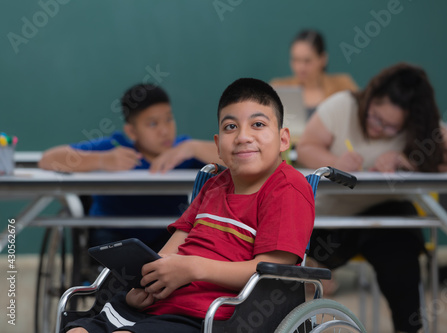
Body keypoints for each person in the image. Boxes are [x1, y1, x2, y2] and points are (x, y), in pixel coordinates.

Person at [62, 78, 316, 333]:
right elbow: (169, 254)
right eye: (231, 127)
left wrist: (195, 268)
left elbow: (273, 273)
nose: (243, 137)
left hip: (208, 315)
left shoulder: (287, 188)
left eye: (258, 124)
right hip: (157, 304)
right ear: (217, 145)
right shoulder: (213, 187)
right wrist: (142, 286)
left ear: (284, 139)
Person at [296, 63, 447, 333]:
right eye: (375, 117)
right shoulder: (343, 105)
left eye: (391, 128)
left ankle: (408, 328)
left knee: (399, 236)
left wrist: (407, 160)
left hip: (381, 221)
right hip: (326, 225)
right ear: (370, 98)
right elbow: (305, 147)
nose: (378, 128)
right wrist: (335, 162)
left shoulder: (417, 130)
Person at [38, 83, 223, 251]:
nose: (164, 130)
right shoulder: (115, 147)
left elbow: (234, 158)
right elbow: (48, 159)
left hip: (166, 233)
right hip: (113, 234)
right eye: (153, 124)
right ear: (131, 132)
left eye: (169, 119)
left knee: (184, 248)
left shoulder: (183, 150)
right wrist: (102, 161)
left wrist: (194, 148)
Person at [270, 29, 358, 119]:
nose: (301, 68)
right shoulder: (279, 88)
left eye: (307, 61)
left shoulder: (342, 86)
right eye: (295, 60)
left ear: (323, 59)